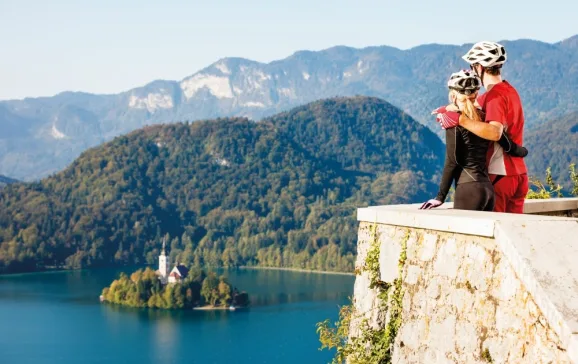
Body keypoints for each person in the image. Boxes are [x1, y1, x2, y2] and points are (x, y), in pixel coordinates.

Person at [458, 41, 529, 214]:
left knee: (495, 231)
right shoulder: (510, 91)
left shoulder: (494, 96)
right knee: (515, 231)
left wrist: (462, 121)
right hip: (519, 174)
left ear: (479, 67)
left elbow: (495, 132)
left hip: (500, 172)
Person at [420, 70, 495, 211]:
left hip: (468, 189)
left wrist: (440, 197)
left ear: (453, 95)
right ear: (476, 94)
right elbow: (508, 143)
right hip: (488, 190)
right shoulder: (484, 118)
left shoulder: (454, 121)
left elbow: (452, 161)